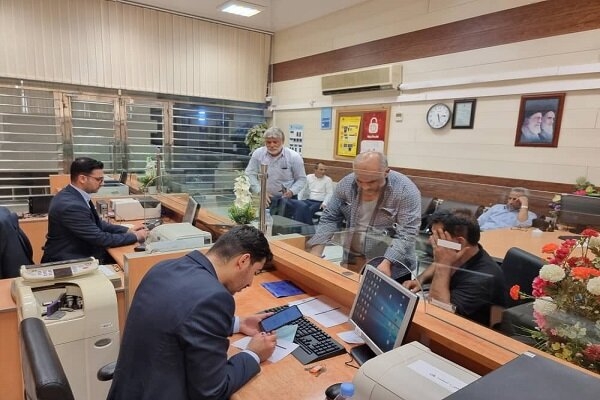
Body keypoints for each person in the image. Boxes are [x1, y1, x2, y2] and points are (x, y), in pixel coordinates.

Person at [107, 225, 277, 400]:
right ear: (243, 261)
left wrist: (238, 323)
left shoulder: (163, 268)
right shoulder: (215, 297)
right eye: (255, 272)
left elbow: (180, 318)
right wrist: (253, 354)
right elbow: (212, 392)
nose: (250, 283)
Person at [307, 151, 421, 280]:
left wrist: (387, 262)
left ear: (386, 172)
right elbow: (330, 216)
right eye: (360, 181)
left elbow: (408, 232)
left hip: (390, 266)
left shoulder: (405, 190)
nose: (365, 187)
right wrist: (317, 250)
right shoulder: (347, 183)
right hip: (353, 259)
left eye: (372, 182)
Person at [403, 209, 507, 326]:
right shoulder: (459, 252)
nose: (430, 240)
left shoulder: (483, 279)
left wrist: (443, 264)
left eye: (437, 236)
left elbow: (439, 314)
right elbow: (436, 263)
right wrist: (420, 280)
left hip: (466, 332)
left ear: (459, 242)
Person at [41, 157, 148, 263]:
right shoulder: (71, 206)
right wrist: (135, 236)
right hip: (69, 261)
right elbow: (100, 238)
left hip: (80, 253)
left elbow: (96, 223)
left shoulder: (74, 194)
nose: (102, 183)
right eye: (98, 179)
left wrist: (126, 230)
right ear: (82, 178)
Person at [244, 127, 306, 216]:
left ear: (282, 141)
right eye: (268, 142)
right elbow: (250, 173)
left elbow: (301, 179)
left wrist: (292, 191)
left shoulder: (294, 157)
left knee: (284, 227)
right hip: (266, 198)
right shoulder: (258, 153)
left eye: (275, 142)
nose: (272, 145)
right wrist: (260, 191)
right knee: (265, 225)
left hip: (287, 199)